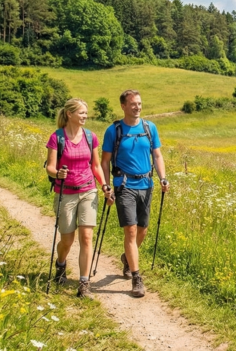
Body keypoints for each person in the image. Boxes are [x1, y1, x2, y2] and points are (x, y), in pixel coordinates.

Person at [102, 90, 169, 298]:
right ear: (123, 106)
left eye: (139, 103)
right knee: (130, 231)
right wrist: (106, 186)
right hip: (124, 185)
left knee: (143, 231)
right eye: (133, 104)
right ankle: (136, 277)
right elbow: (105, 161)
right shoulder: (114, 130)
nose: (137, 107)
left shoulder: (150, 128)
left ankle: (127, 258)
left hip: (146, 184)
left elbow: (157, 155)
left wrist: (163, 177)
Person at [45, 98, 109, 298]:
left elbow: (96, 166)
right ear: (70, 114)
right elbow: (50, 167)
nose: (85, 116)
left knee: (87, 237)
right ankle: (61, 264)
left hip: (88, 190)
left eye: (86, 113)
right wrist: (58, 174)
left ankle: (84, 283)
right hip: (66, 192)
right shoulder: (57, 137)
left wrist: (105, 185)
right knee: (67, 239)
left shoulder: (91, 137)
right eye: (81, 113)